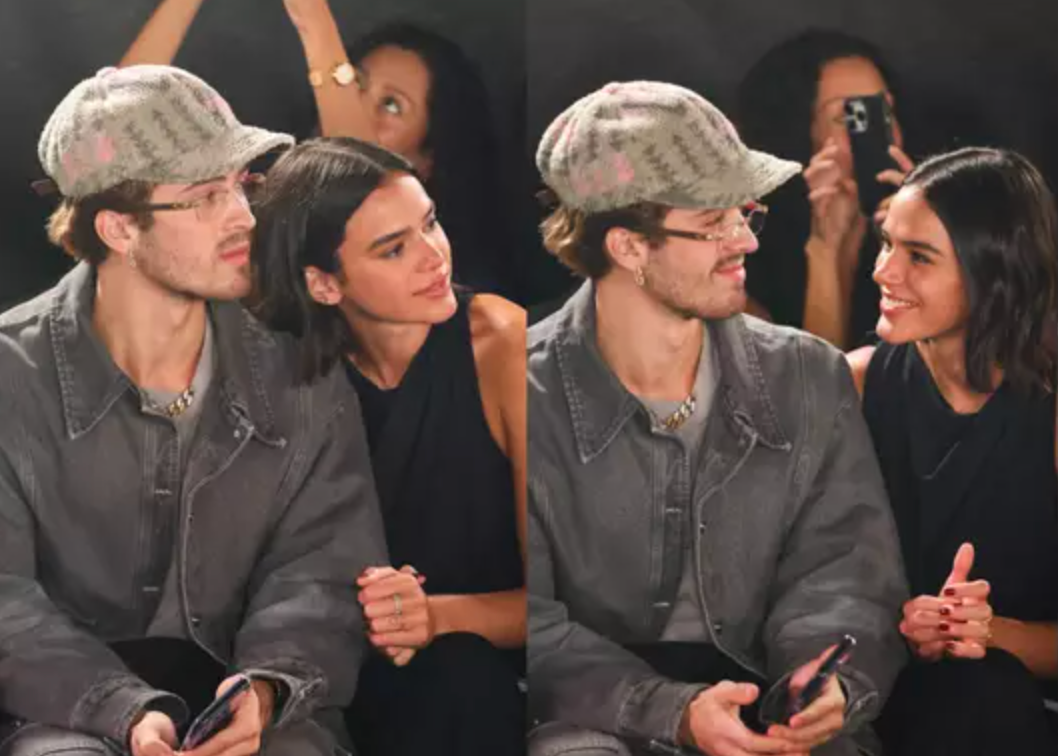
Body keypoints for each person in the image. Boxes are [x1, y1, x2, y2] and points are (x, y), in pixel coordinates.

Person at [0, 65, 388, 756]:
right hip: (62, 715)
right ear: (120, 228)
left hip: (265, 717)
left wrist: (265, 688)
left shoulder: (301, 374)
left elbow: (322, 572)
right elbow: (6, 605)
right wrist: (123, 711)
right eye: (206, 196)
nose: (244, 217)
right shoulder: (10, 377)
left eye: (241, 185)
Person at [526, 80, 908, 756]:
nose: (745, 242)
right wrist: (670, 711)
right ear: (628, 248)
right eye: (713, 224)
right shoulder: (524, 393)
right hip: (594, 717)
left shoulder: (807, 375)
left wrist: (825, 685)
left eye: (745, 214)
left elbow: (845, 570)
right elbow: (528, 619)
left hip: (769, 705)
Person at [250, 136, 527, 756]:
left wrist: (434, 617)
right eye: (394, 248)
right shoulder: (281, 372)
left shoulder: (503, 344)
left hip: (479, 676)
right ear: (323, 284)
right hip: (326, 668)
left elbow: (568, 605)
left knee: (457, 677)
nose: (434, 256)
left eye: (430, 223)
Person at [845, 147, 1058, 755]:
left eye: (918, 256)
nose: (884, 272)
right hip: (874, 695)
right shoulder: (854, 384)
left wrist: (988, 634)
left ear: (992, 272)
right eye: (887, 244)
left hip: (1015, 711)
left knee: (980, 693)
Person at [121, 0, 514, 297]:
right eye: (355, 82)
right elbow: (109, 127)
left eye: (392, 105)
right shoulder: (246, 202)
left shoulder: (419, 278)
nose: (351, 101)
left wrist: (316, 25)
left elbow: (356, 184)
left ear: (426, 162)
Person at [736, 30, 915, 349]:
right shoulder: (745, 244)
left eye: (883, 113)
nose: (875, 136)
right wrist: (827, 252)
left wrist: (918, 243)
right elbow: (815, 377)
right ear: (799, 132)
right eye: (849, 117)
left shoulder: (926, 225)